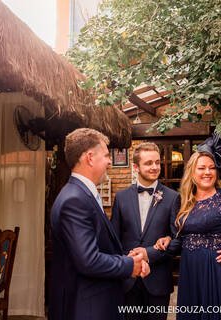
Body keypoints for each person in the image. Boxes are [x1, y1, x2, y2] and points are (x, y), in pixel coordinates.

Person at [49, 128, 149, 320]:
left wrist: (125, 257)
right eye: (105, 155)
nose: (110, 161)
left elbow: (95, 246)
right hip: (86, 308)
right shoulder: (74, 200)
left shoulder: (81, 194)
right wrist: (129, 265)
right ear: (89, 158)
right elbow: (88, 260)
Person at [156, 134, 221, 320]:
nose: (207, 172)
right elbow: (179, 234)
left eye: (211, 168)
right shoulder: (183, 202)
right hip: (190, 272)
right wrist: (168, 238)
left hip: (219, 273)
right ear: (192, 172)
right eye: (201, 168)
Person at [111, 142, 180, 320]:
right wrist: (126, 264)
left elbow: (178, 240)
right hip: (128, 281)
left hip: (158, 282)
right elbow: (114, 240)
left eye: (157, 162)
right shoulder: (121, 197)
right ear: (136, 167)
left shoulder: (172, 198)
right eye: (149, 163)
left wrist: (148, 254)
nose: (155, 167)